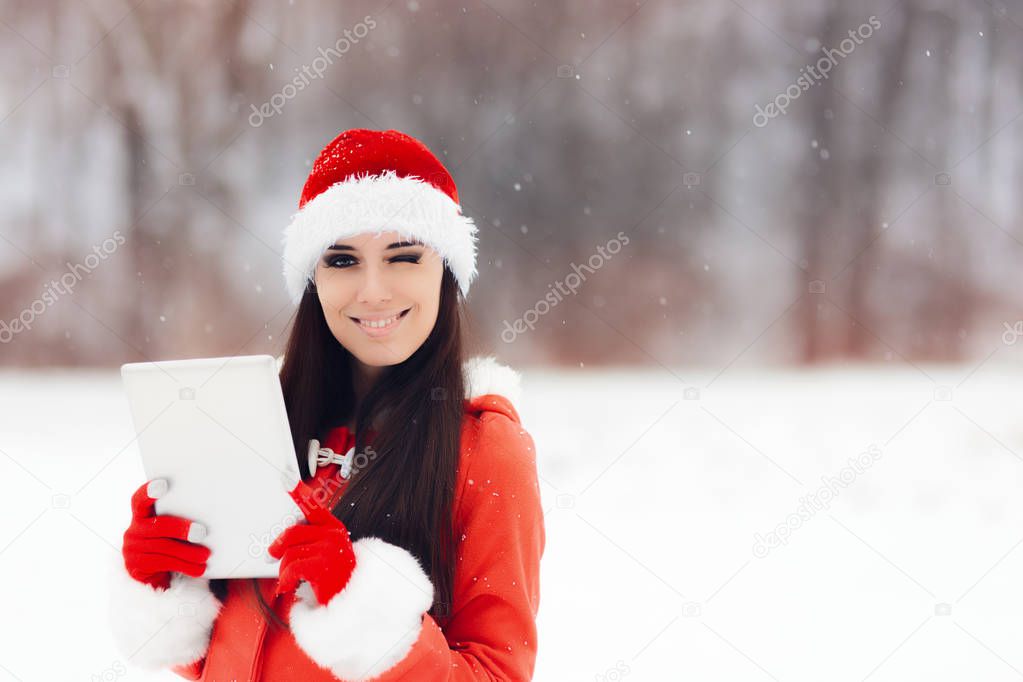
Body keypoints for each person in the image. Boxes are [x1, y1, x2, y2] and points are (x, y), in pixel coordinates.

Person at [106, 128, 545, 681]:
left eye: (403, 256)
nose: (373, 291)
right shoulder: (261, 420)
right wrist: (167, 583)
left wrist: (368, 618)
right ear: (313, 279)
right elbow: (234, 659)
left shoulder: (486, 450)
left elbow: (497, 673)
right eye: (342, 261)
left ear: (447, 272)